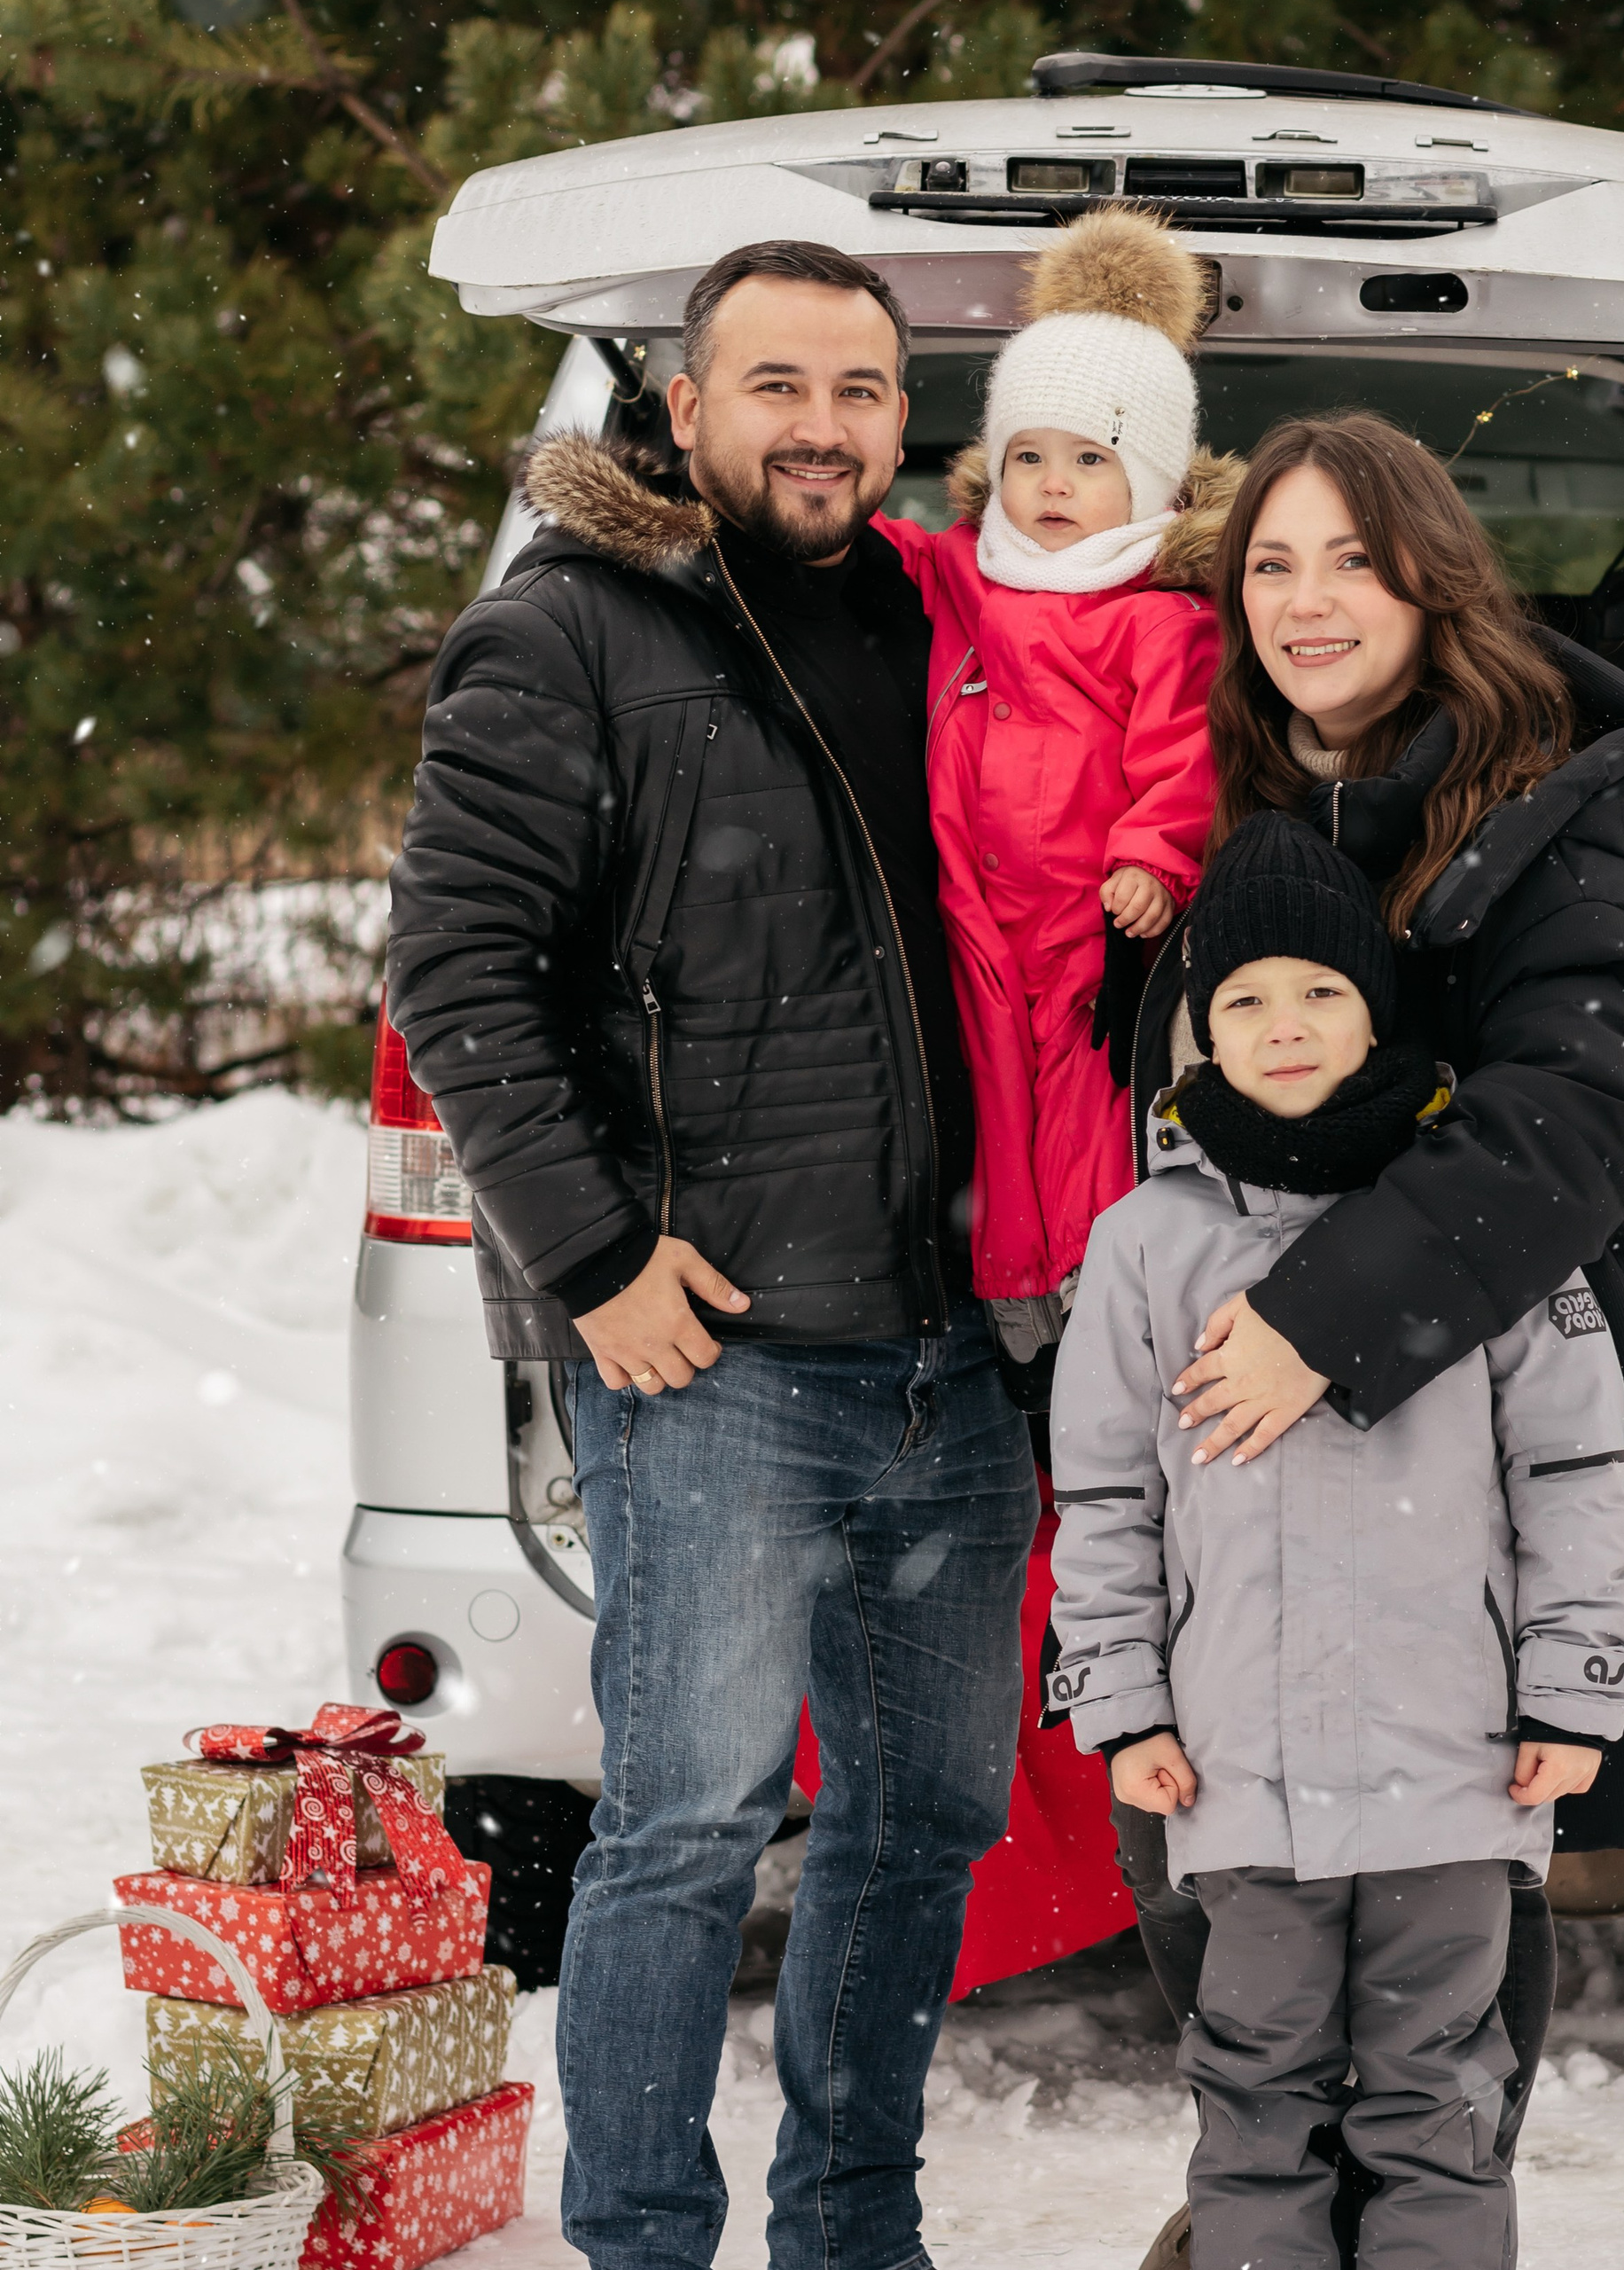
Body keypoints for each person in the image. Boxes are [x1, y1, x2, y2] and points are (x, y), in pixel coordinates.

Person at [386, 240, 1037, 2270]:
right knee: (680, 1830)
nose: (822, 425)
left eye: (858, 387)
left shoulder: (955, 626)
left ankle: (851, 2227)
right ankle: (645, 2239)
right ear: (681, 408)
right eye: (774, 384)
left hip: (957, 1348)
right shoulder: (569, 633)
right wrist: (595, 1261)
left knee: (924, 1818)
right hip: (722, 1351)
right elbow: (451, 971)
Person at [1114, 410, 1624, 2258]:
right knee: (1234, 1874)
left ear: (1434, 576)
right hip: (1276, 1471)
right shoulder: (1272, 809)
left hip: (1473, 1431)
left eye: (1350, 556)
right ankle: (1278, 2206)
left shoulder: (1553, 826)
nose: (1306, 599)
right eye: (1268, 562)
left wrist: (1303, 1325)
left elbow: (1563, 1131)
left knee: (1440, 1887)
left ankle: (1408, 2215)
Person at [1048, 811, 1624, 2270]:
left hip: (1452, 1777)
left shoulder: (1479, 1222)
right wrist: (1126, 1706)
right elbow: (1107, 1497)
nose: (1284, 1024)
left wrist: (1571, 1689)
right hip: (1241, 1785)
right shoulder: (1144, 1246)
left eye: (1320, 989)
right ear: (1198, 1037)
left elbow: (1573, 1470)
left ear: (1375, 1009)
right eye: (1243, 997)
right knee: (1255, 2101)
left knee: (1438, 2100)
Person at [880, 208, 1230, 1400]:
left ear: (1149, 479)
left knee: (1086, 1117)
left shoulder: (1157, 613)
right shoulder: (969, 576)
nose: (1054, 487)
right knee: (995, 1118)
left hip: (1091, 932)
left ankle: (1093, 1291)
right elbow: (881, 556)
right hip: (978, 919)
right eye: (1029, 457)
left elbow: (1184, 750)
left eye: (1089, 461)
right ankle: (1018, 1290)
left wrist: (1154, 855)